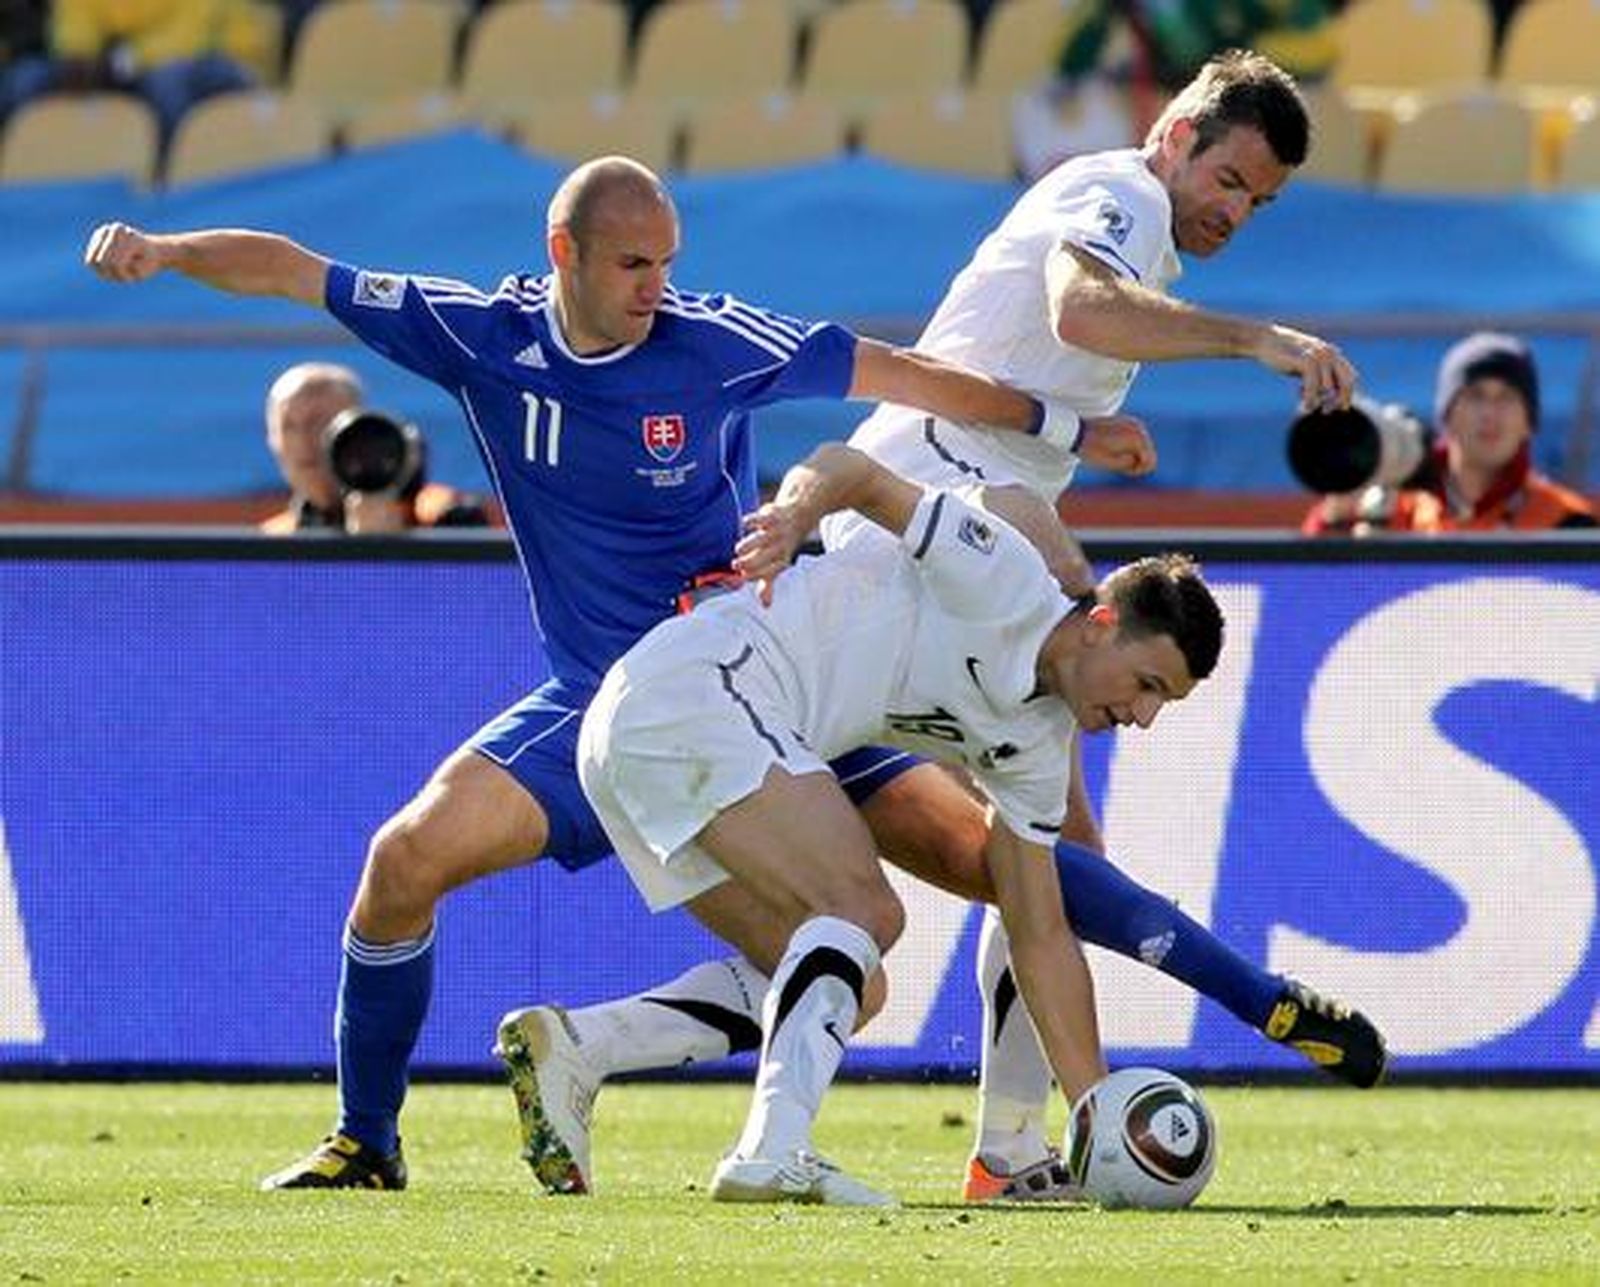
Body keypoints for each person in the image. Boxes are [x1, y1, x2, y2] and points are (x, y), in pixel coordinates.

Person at [83, 155, 1150, 1190]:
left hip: (767, 676)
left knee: (980, 890)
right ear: (565, 253)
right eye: (634, 265)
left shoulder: (713, 341)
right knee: (402, 865)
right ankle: (369, 1142)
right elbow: (290, 266)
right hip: (600, 694)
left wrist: (1061, 424)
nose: (658, 289)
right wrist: (166, 249)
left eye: (667, 262)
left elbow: (897, 372)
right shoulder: (482, 336)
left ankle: (1012, 1144)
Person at [493, 54, 1382, 1208]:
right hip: (918, 534)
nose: (1231, 208)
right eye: (1227, 176)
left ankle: (597, 1050)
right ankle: (990, 1144)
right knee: (967, 888)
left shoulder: (1143, 244)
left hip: (884, 588)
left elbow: (1044, 347)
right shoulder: (1117, 195)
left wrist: (1071, 433)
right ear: (1171, 134)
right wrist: (1252, 342)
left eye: (1256, 203)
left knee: (888, 938)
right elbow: (1074, 309)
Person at [576, 441, 1222, 1203]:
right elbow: (853, 469)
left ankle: (580, 1050)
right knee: (861, 909)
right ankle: (771, 1149)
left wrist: (1095, 1108)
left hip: (647, 734)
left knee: (843, 969)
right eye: (1146, 682)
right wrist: (793, 514)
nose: (1142, 715)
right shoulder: (1002, 575)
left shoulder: (1039, 749)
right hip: (702, 685)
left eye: (1162, 704)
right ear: (1101, 623)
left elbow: (1039, 929)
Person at [1303, 332, 1598, 535]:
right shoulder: (1388, 510)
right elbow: (1311, 599)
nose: (1489, 414)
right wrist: (1336, 517)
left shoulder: (1568, 525)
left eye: (1506, 397)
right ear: (1447, 414)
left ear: (1529, 421)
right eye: (1474, 395)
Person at [260, 361, 493, 535]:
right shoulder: (271, 545)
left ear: (358, 429)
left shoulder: (444, 517)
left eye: (319, 422)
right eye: (288, 426)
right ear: (271, 439)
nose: (303, 440)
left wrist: (392, 553)